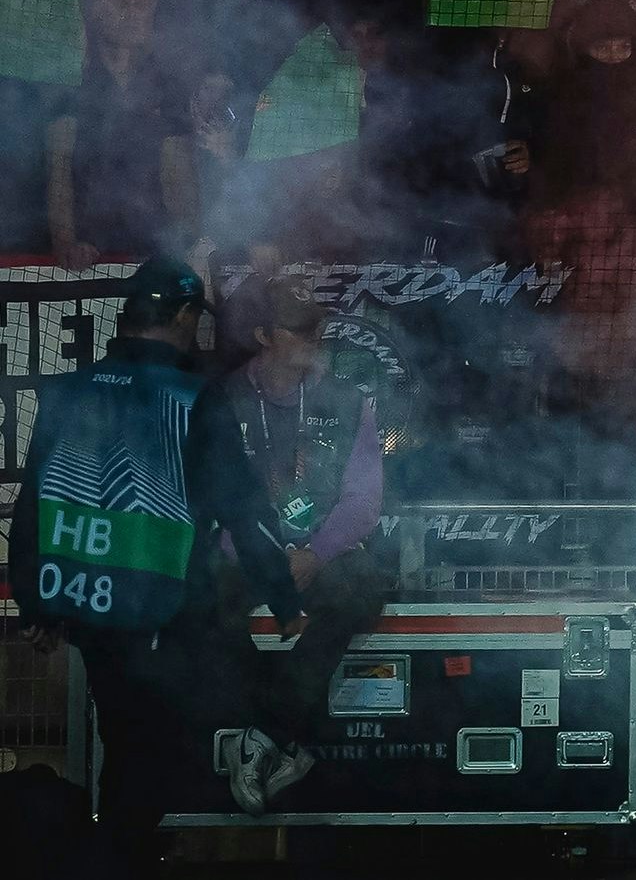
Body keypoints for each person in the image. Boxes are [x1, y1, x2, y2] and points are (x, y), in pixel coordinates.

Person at [21, 261, 318, 858]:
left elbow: (35, 502)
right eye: (194, 318)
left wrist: (38, 604)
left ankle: (117, 858)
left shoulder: (70, 389)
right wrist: (284, 597)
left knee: (126, 753)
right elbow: (244, 509)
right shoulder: (194, 397)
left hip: (89, 612)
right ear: (183, 316)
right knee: (147, 769)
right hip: (162, 612)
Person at [214, 282, 399, 737]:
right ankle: (257, 728)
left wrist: (315, 555)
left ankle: (268, 735)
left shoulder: (348, 400)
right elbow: (211, 495)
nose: (313, 338)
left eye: (316, 328)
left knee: (362, 589)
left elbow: (363, 500)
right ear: (262, 335)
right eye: (298, 329)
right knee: (202, 599)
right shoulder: (223, 398)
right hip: (248, 553)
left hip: (322, 552)